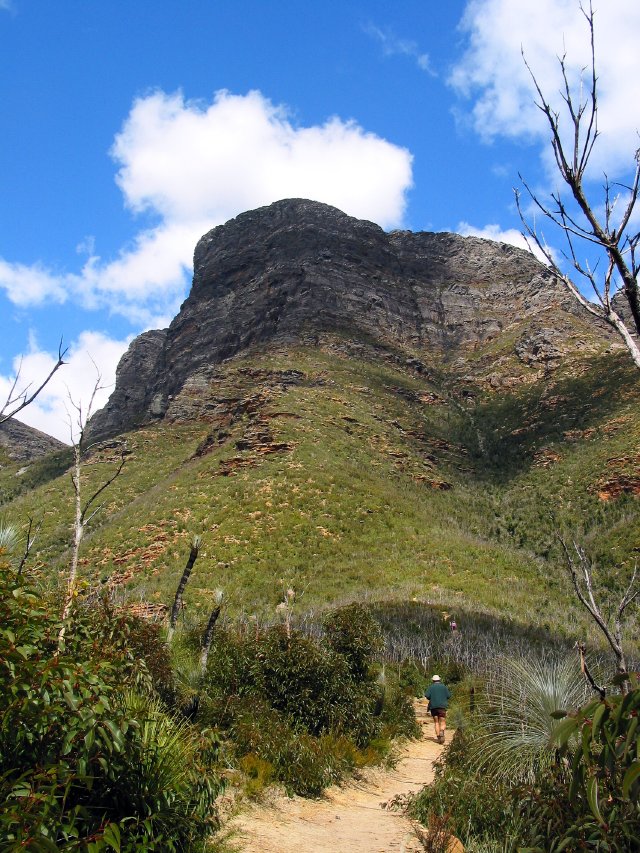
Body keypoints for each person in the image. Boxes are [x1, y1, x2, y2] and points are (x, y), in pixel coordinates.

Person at [425, 674, 451, 744]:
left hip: (433, 707)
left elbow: (427, 696)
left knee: (436, 722)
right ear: (439, 680)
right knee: (442, 721)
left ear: (433, 680)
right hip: (442, 707)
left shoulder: (431, 687)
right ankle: (442, 731)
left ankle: (439, 737)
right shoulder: (444, 687)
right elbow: (449, 696)